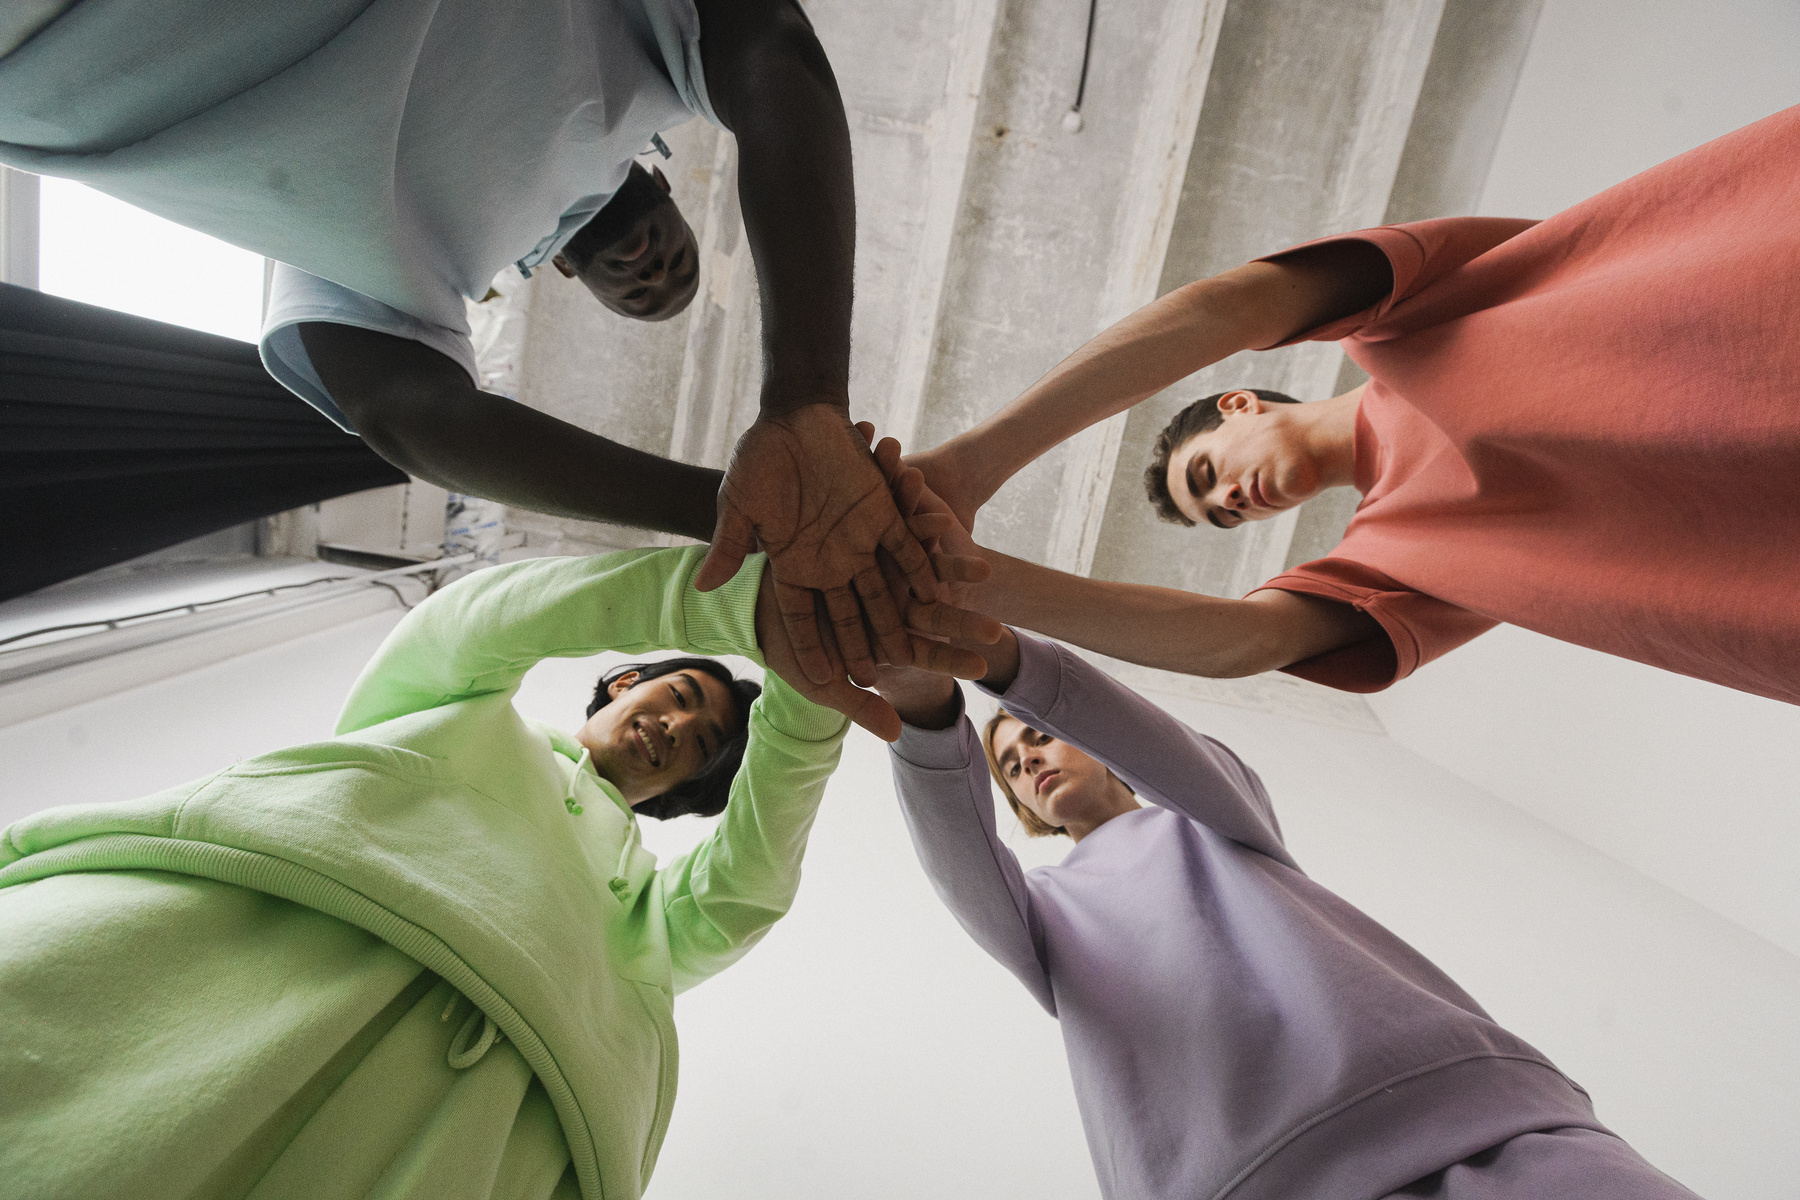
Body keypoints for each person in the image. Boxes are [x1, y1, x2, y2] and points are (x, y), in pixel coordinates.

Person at [0, 541, 989, 1200]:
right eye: (680, 694)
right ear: (622, 680)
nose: (679, 725)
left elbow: (757, 869)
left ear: (684, 788)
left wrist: (810, 693)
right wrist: (755, 608)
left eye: (702, 745)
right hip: (221, 962)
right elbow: (492, 616)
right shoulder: (446, 709)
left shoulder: (656, 911)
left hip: (449, 1130)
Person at [0, 0, 938, 689]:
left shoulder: (418, 272)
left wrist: (727, 510)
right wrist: (806, 392)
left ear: (572, 278)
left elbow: (404, 412)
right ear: (663, 180)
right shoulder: (641, 52)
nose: (650, 272)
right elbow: (771, 45)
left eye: (643, 294)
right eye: (671, 263)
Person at [907, 105, 1800, 706]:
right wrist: (979, 577)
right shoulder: (1397, 563)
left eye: (1207, 472)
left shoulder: (1406, 320)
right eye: (1215, 516)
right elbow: (1239, 644)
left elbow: (1230, 306)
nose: (1225, 502)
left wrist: (973, 464)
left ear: (1242, 402)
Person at [873, 627, 1703, 1200]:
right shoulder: (1043, 912)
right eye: (1012, 767)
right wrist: (922, 707)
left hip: (1483, 1120)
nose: (1030, 762)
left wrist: (1004, 660)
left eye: (1039, 739)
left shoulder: (1211, 812)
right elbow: (963, 867)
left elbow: (1172, 753)